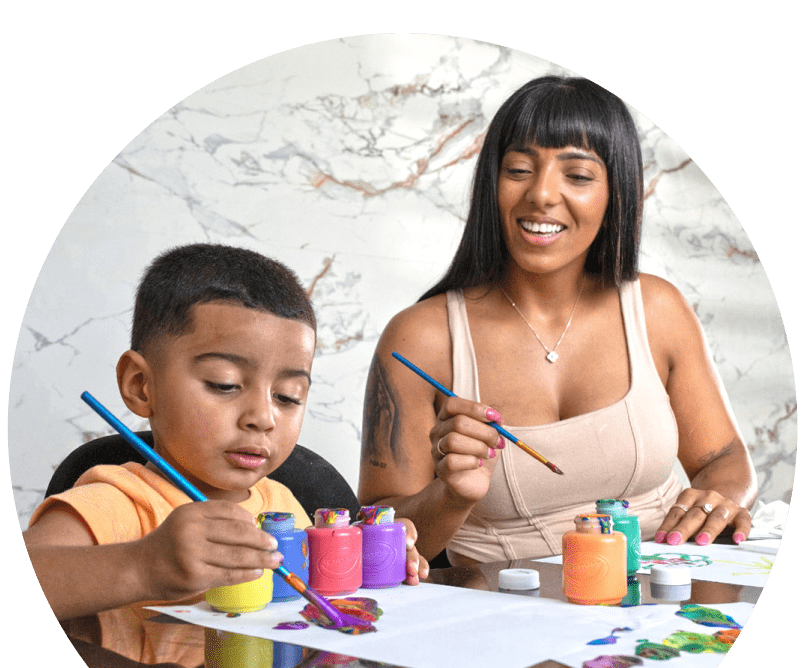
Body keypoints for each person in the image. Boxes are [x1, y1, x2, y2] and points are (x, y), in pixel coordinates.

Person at [358, 76, 758, 566]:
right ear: (491, 183)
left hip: (661, 588)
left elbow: (723, 460)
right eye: (519, 169)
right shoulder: (419, 339)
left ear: (616, 192)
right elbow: (375, 536)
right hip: (499, 603)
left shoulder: (658, 308)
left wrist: (718, 501)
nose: (542, 194)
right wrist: (451, 496)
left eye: (578, 175)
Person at [23, 243, 427, 657]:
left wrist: (373, 556)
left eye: (288, 396)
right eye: (224, 384)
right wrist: (142, 565)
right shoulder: (118, 502)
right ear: (141, 386)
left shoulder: (283, 504)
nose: (263, 417)